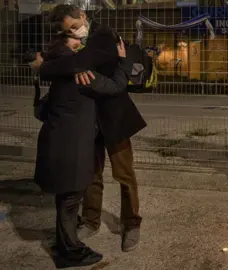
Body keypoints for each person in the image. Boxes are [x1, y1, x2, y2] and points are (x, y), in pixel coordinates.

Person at [30, 4, 146, 252]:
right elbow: (58, 56)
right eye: (68, 32)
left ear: (83, 16)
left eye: (74, 26)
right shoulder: (72, 42)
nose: (73, 33)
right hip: (87, 122)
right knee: (91, 175)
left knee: (124, 174)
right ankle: (91, 220)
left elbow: (80, 60)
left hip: (115, 116)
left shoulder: (104, 35)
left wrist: (45, 67)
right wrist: (56, 62)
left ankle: (131, 223)